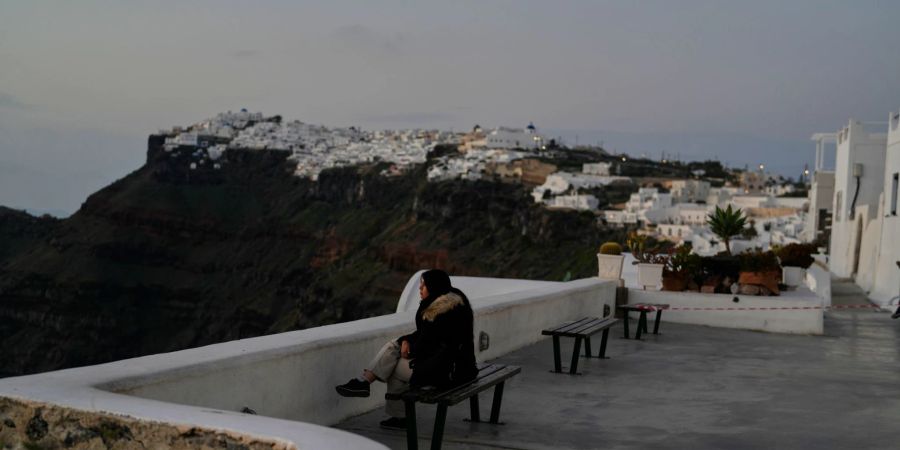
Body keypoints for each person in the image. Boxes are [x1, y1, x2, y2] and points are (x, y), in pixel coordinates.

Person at [335, 269, 478, 430]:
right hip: (462, 368)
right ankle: (365, 383)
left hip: (449, 373)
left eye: (424, 285)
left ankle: (388, 406)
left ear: (433, 286)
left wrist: (409, 349)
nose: (420, 289)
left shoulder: (438, 312)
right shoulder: (454, 303)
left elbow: (429, 345)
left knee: (393, 367)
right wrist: (405, 341)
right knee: (394, 351)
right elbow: (428, 337)